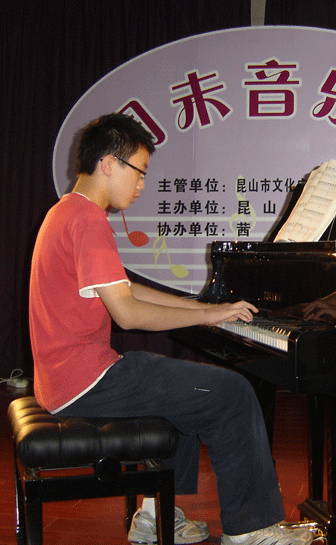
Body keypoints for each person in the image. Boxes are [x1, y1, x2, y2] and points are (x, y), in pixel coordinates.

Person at [28, 113, 315, 545]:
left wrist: (198, 305)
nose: (142, 185)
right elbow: (128, 313)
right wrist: (209, 316)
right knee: (231, 392)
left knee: (185, 391)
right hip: (87, 381)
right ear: (109, 163)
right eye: (140, 171)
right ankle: (250, 531)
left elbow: (126, 288)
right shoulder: (87, 220)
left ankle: (155, 518)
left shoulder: (65, 212)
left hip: (63, 379)